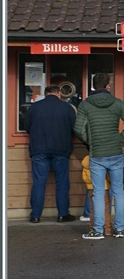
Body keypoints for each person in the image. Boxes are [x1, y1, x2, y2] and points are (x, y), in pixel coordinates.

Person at [74, 73, 124, 239]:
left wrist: (89, 141)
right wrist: (120, 138)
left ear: (94, 86)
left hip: (97, 154)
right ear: (108, 85)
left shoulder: (85, 105)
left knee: (98, 193)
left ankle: (98, 230)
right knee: (118, 191)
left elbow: (78, 128)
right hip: (116, 152)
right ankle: (119, 229)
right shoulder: (117, 103)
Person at [26, 83, 78, 223]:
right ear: (58, 93)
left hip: (39, 150)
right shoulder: (67, 108)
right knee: (62, 183)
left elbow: (27, 127)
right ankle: (62, 214)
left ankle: (35, 216)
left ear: (46, 93)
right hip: (61, 150)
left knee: (38, 183)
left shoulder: (34, 107)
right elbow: (75, 129)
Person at [80, 153, 108, 224]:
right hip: (105, 185)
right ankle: (107, 223)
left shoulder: (87, 160)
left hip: (91, 186)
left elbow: (84, 177)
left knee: (92, 203)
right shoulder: (105, 158)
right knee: (106, 204)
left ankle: (87, 215)